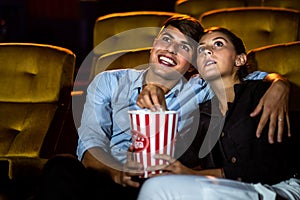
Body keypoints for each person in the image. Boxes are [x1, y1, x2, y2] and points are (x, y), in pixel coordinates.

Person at [35, 15, 290, 200]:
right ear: (153, 45)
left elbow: (244, 76)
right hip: (109, 174)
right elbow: (90, 145)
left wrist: (280, 85)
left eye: (184, 47)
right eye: (166, 39)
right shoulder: (109, 82)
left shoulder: (199, 86)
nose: (170, 48)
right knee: (61, 167)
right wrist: (115, 173)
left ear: (193, 64)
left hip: (162, 179)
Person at [136, 27, 300, 200]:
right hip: (230, 189)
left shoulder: (263, 94)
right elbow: (179, 160)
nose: (207, 50)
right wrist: (160, 112)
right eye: (201, 49)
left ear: (239, 59)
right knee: (158, 182)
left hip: (279, 188)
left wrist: (194, 174)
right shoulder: (200, 114)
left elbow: (269, 167)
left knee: (157, 188)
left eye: (218, 44)